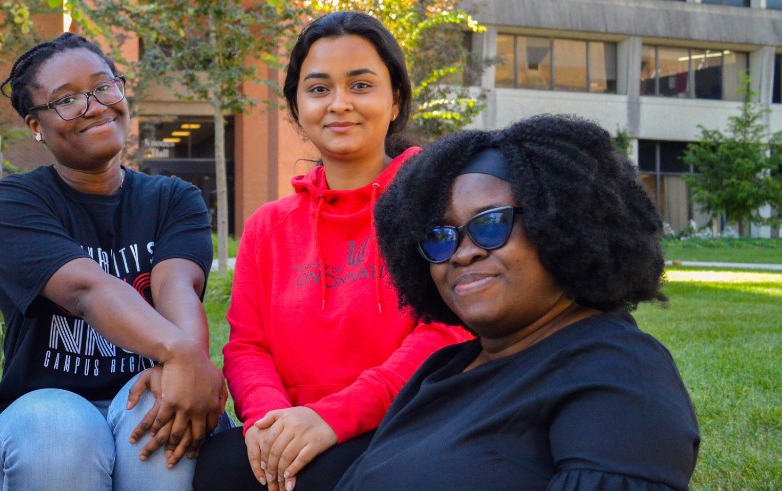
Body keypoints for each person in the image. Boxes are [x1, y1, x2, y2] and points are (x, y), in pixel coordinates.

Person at [340, 114, 700, 489]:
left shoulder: (620, 376)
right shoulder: (446, 368)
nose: (462, 254)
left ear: (560, 224)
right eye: (441, 236)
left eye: (491, 223)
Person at [193, 12, 472, 491]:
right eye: (319, 89)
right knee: (216, 468)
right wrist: (271, 422)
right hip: (292, 427)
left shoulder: (440, 205)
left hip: (408, 423)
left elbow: (447, 331)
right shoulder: (268, 227)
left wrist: (329, 420)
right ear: (297, 106)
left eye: (361, 85)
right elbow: (246, 346)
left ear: (395, 98)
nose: (339, 104)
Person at [0, 32, 227, 491]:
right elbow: (86, 291)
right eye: (67, 100)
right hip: (40, 415)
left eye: (103, 86)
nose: (94, 106)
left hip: (142, 394)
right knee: (60, 429)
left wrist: (184, 373)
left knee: (157, 414)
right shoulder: (14, 203)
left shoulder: (174, 198)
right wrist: (184, 355)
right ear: (36, 125)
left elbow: (176, 288)